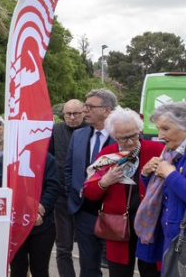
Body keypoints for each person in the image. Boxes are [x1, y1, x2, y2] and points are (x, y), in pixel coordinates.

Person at [82, 107, 162, 277]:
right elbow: (89, 192)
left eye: (134, 135)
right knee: (119, 272)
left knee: (151, 271)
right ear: (113, 136)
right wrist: (104, 182)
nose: (131, 142)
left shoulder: (156, 150)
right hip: (117, 226)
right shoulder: (107, 155)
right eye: (123, 138)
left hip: (150, 225)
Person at [65, 88, 118, 277]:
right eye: (85, 105)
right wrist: (73, 193)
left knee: (117, 267)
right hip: (84, 212)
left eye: (90, 106)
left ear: (107, 110)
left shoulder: (122, 137)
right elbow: (69, 169)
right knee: (88, 267)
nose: (85, 110)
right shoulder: (78, 136)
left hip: (115, 215)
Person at [136, 102, 186, 272]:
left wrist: (171, 175)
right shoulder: (170, 153)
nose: (160, 135)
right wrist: (146, 174)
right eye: (159, 129)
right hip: (168, 235)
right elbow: (161, 193)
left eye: (165, 128)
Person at [0, 152, 61, 277]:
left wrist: (41, 207)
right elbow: (0, 186)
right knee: (17, 269)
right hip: (15, 225)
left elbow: (53, 186)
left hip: (41, 225)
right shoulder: (5, 160)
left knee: (40, 269)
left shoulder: (47, 158)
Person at [48, 99, 87, 277]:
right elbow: (49, 159)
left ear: (84, 113)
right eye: (67, 114)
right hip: (61, 197)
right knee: (63, 247)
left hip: (86, 198)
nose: (71, 117)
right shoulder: (55, 131)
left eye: (75, 113)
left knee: (88, 246)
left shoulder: (91, 131)